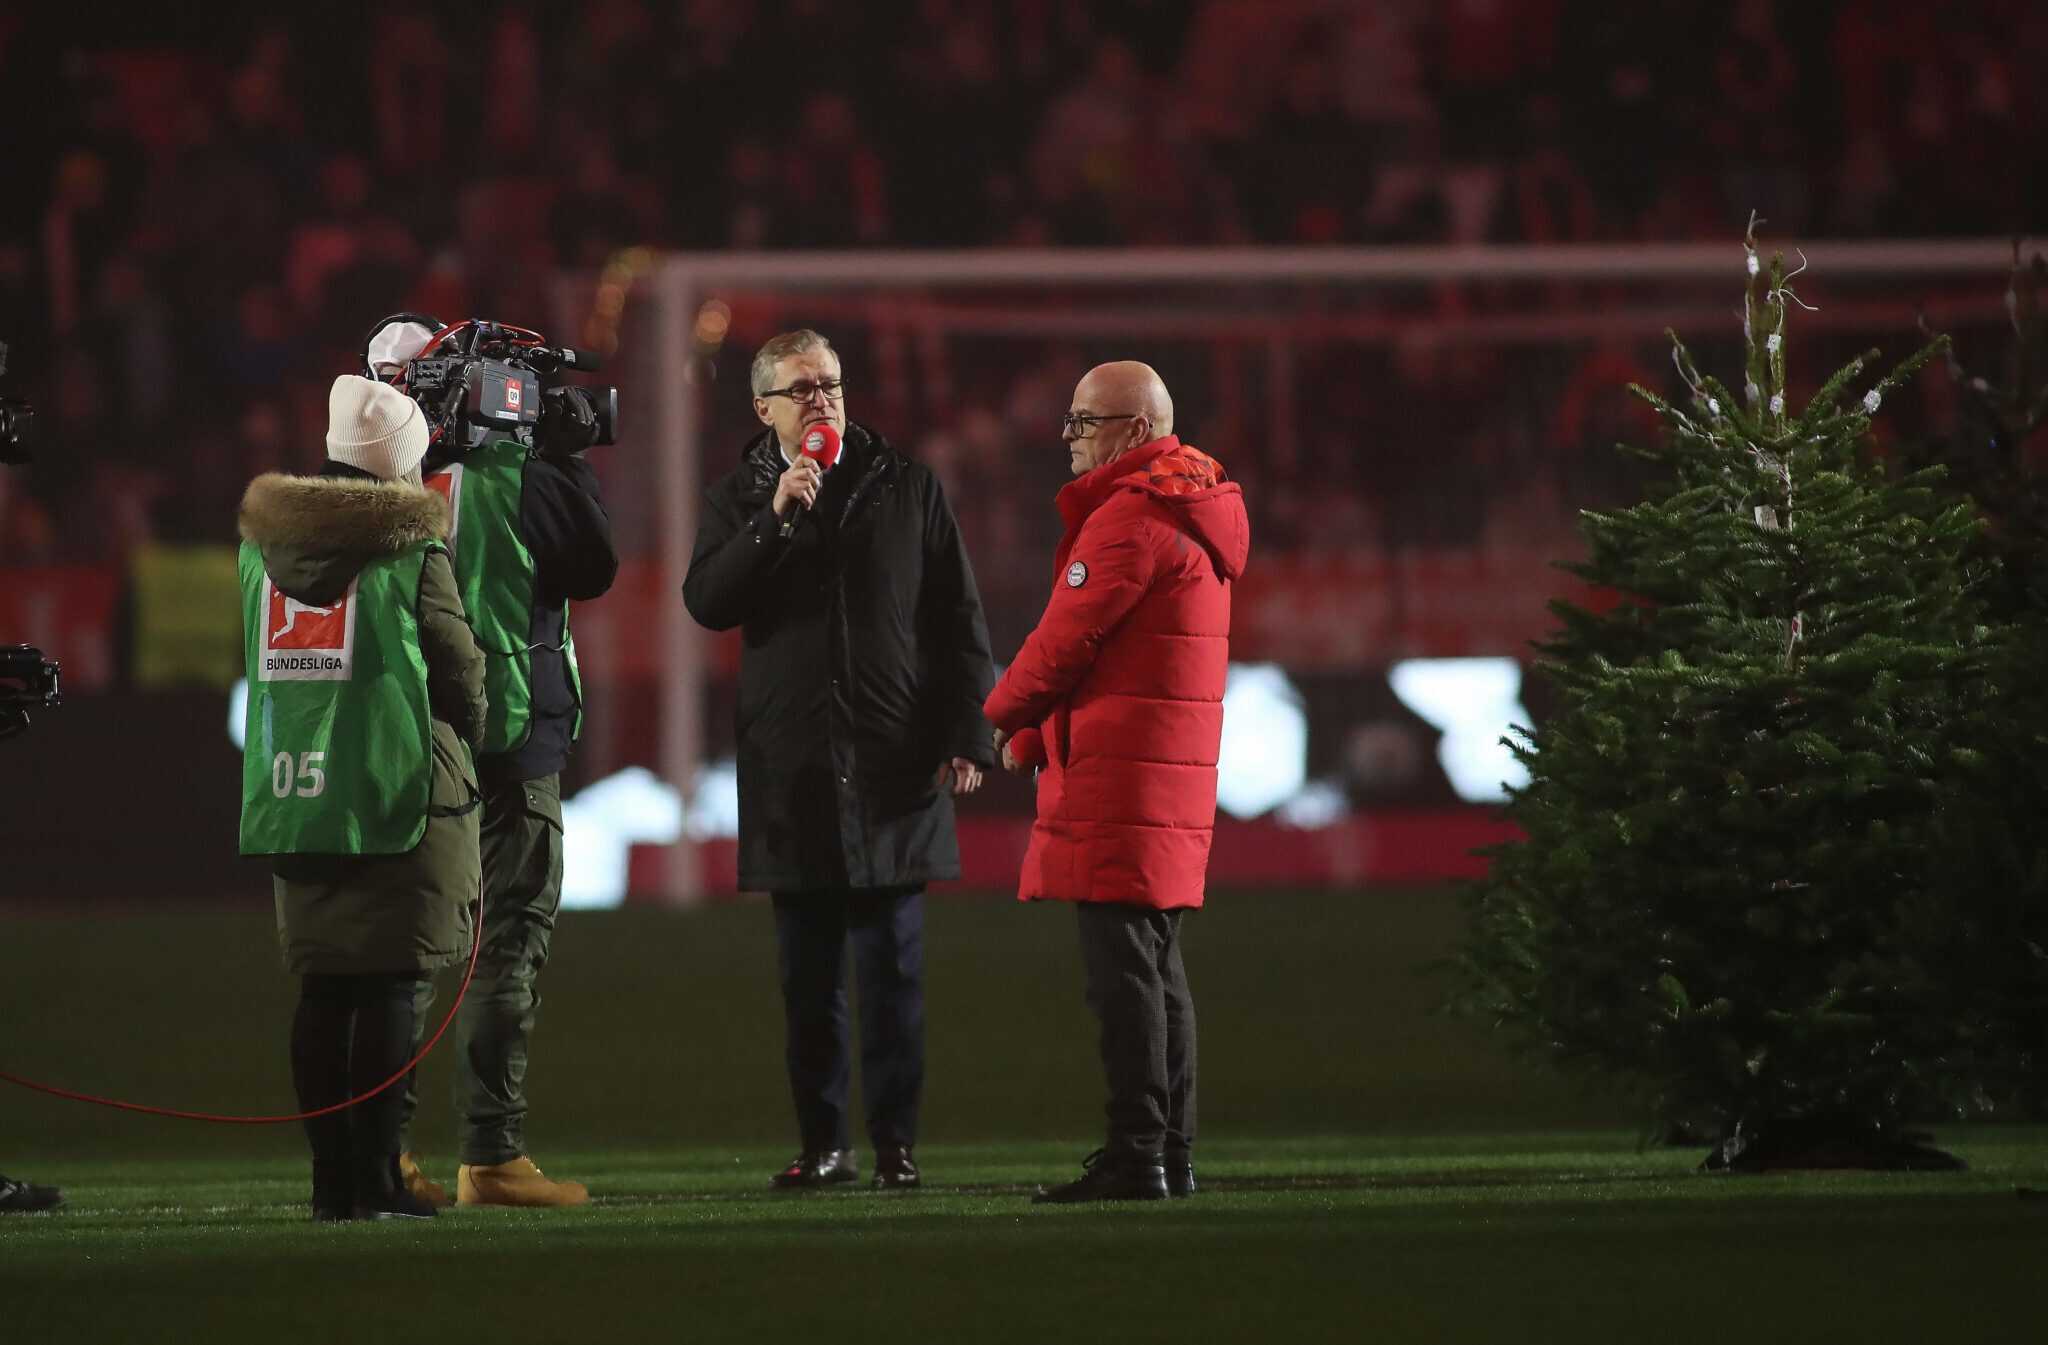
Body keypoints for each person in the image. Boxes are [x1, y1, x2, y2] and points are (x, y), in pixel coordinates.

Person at [684, 329, 996, 1190]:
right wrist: (773, 517)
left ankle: (895, 1144)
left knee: (894, 973)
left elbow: (957, 620)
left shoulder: (908, 485)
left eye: (830, 383)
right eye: (801, 388)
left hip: (894, 762)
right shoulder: (740, 497)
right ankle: (824, 1144)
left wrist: (971, 731)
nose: (821, 398)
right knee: (808, 979)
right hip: (797, 772)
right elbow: (707, 600)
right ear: (764, 409)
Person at [363, 315, 620, 1209]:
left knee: (404, 956)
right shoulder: (525, 475)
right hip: (514, 735)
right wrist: (565, 453)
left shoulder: (370, 477)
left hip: (408, 743)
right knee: (506, 944)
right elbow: (595, 566)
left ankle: (381, 1157)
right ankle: (491, 1154)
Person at [983, 361, 1250, 1203]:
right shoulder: (1191, 512)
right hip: (1159, 777)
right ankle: (1170, 1149)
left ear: (1135, 432)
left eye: (1085, 420)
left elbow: (1064, 640)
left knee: (1125, 975)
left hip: (1121, 780)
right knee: (1158, 969)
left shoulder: (1132, 519)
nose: (1069, 435)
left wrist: (1000, 712)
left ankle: (1139, 1151)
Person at [237, 374, 486, 1221]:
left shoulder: (259, 551)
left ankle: (329, 1181)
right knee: (385, 987)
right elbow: (458, 667)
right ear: (405, 465)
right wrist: (475, 730)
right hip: (390, 789)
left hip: (294, 791)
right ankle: (376, 1176)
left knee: (322, 988)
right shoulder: (411, 549)